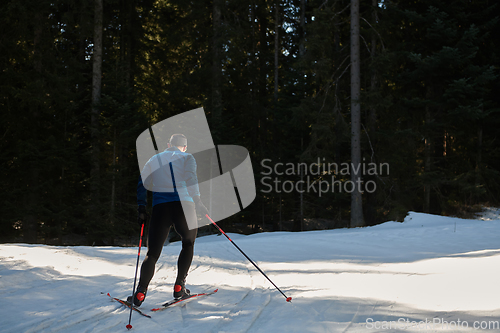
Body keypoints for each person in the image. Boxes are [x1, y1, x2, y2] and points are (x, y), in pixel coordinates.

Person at [128, 133, 209, 307]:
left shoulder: (155, 159)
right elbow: (191, 178)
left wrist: (141, 207)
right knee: (188, 243)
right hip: (185, 206)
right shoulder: (188, 157)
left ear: (168, 144)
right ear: (185, 147)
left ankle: (141, 292)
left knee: (152, 253)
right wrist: (198, 201)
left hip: (161, 208)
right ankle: (179, 286)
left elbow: (142, 182)